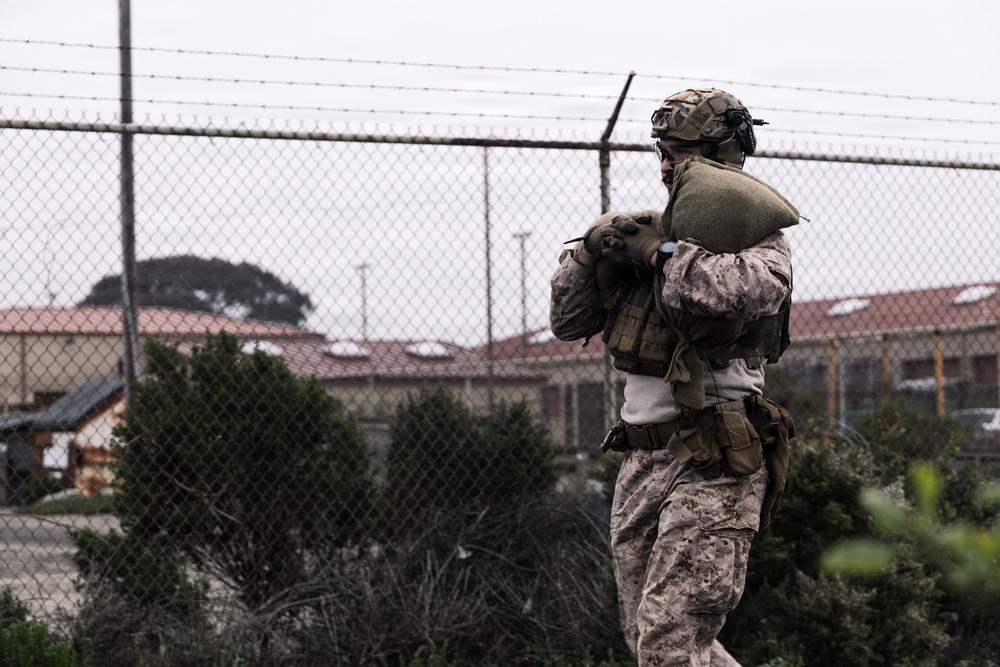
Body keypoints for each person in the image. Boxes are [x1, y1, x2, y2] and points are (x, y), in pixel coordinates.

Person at [549, 88, 797, 666]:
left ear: (720, 155)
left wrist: (662, 254)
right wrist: (588, 254)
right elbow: (568, 323)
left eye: (680, 151)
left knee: (669, 644)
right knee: (654, 639)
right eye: (662, 149)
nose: (666, 163)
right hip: (643, 461)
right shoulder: (642, 230)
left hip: (714, 458)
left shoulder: (754, 236)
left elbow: (747, 289)